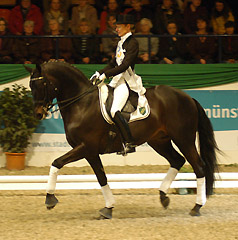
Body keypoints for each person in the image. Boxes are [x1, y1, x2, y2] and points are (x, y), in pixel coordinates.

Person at [90, 14, 146, 155]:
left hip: (126, 82)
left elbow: (125, 65)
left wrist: (106, 75)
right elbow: (114, 63)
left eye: (119, 27)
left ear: (128, 27)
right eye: (116, 27)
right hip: (118, 80)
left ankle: (129, 143)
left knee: (115, 111)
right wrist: (99, 72)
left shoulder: (133, 43)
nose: (116, 29)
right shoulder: (121, 42)